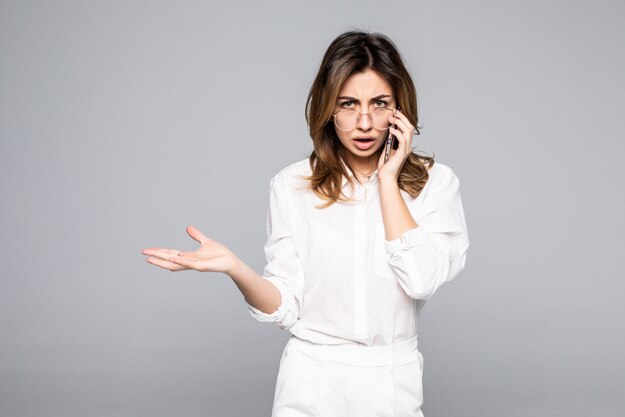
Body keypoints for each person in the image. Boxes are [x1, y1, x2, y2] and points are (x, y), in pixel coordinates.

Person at [142, 30, 469, 417]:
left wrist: (387, 180)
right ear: (329, 108)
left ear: (400, 110)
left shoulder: (437, 183)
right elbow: (286, 306)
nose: (364, 122)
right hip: (311, 381)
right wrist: (236, 269)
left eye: (379, 103)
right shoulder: (291, 185)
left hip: (392, 383)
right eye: (348, 104)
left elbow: (421, 279)